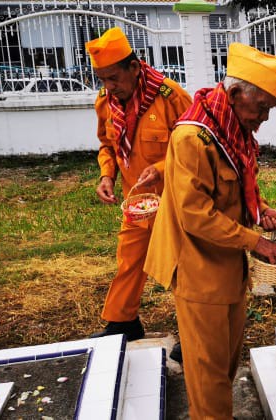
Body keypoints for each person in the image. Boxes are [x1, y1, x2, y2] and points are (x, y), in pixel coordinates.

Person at [144, 43, 276, 419]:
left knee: (225, 365)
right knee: (207, 374)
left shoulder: (230, 129)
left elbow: (235, 189)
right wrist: (255, 241)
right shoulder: (193, 138)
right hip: (199, 272)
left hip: (228, 268)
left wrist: (259, 212)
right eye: (260, 108)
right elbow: (195, 215)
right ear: (233, 94)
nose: (263, 119)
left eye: (269, 110)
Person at [86, 27, 192, 347]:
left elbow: (193, 148)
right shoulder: (106, 103)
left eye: (113, 78)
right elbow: (107, 145)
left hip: (174, 200)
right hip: (138, 202)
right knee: (129, 260)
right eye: (102, 79)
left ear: (134, 67)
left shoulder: (170, 97)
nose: (109, 87)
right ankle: (123, 322)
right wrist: (107, 176)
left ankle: (194, 331)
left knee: (181, 267)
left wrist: (160, 169)